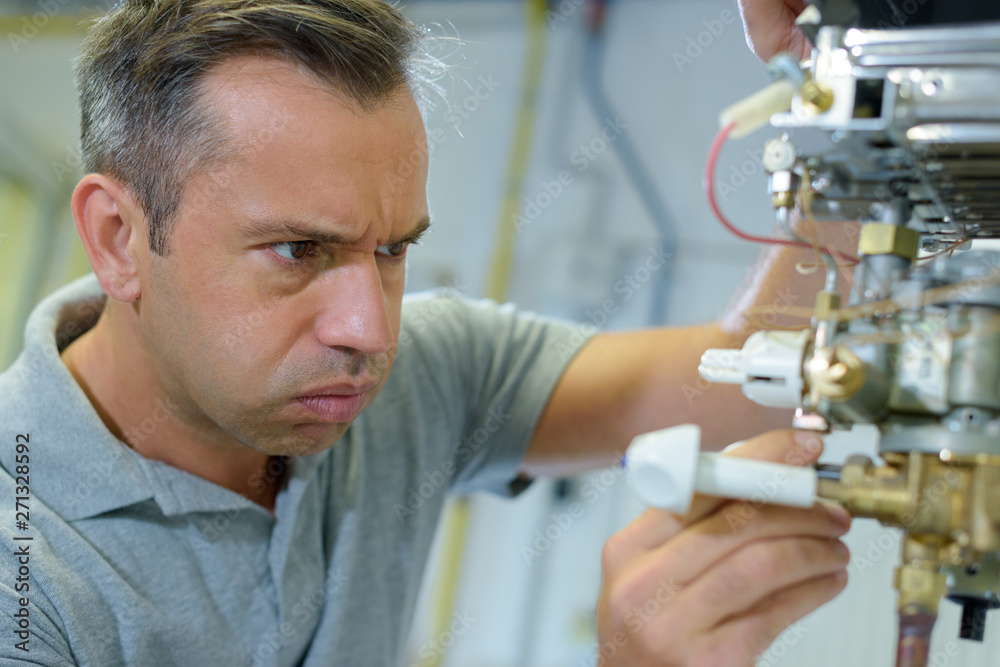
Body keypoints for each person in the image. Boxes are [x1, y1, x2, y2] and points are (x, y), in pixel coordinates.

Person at [0, 0, 850, 665]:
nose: (371, 328)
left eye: (395, 249)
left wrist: (853, 107)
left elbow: (744, 375)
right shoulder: (28, 574)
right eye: (298, 250)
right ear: (117, 237)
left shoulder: (413, 373)